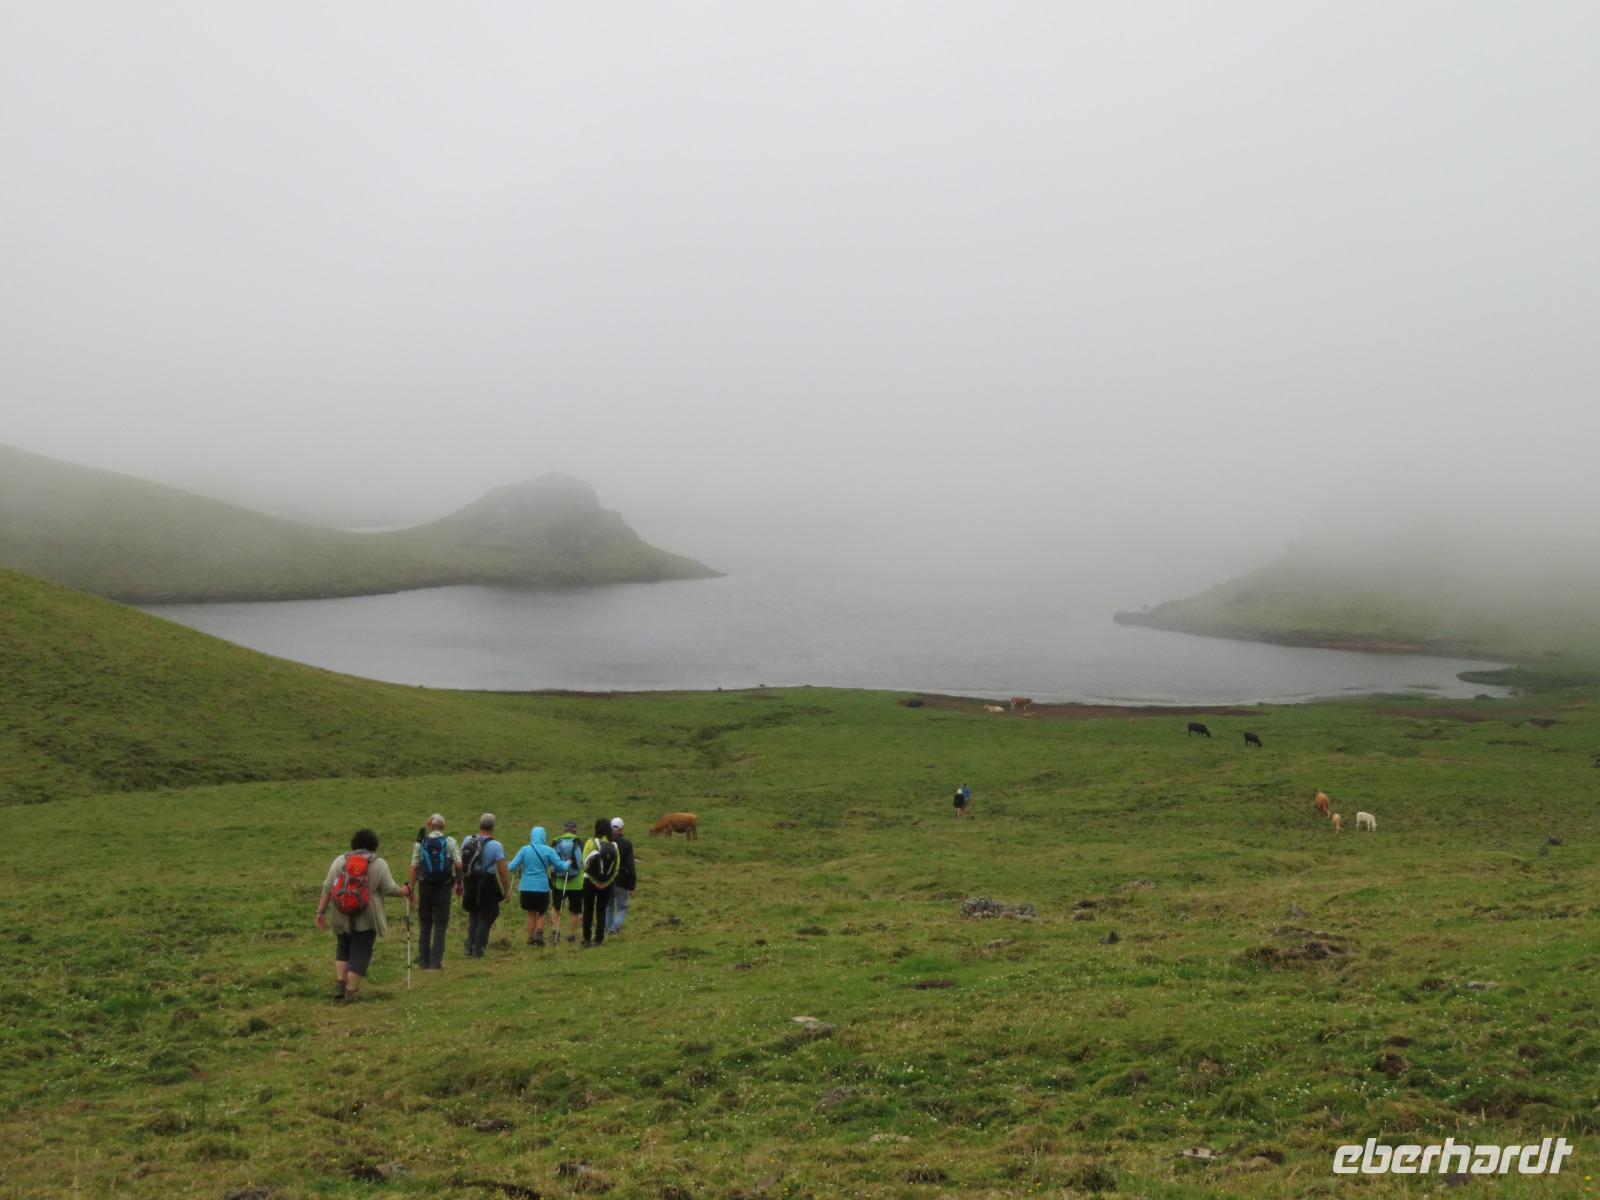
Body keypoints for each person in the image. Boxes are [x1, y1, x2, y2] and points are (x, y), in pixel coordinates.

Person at [316, 828, 411, 1000]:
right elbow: (389, 889)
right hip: (367, 915)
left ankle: (340, 985)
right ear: (374, 846)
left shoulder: (340, 860)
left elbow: (328, 887)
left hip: (341, 911)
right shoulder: (379, 863)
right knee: (361, 950)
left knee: (343, 946)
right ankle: (351, 993)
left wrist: (321, 911)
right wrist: (405, 891)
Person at [409, 814, 462, 969]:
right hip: (444, 887)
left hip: (425, 886)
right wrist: (459, 883)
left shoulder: (421, 842)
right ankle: (436, 961)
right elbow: (459, 865)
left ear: (430, 826)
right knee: (441, 923)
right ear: (443, 827)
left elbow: (414, 867)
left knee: (425, 922)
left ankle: (423, 960)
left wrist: (410, 889)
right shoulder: (450, 842)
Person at [460, 813, 510, 958]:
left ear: (480, 824)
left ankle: (469, 947)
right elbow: (502, 870)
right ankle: (479, 948)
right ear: (493, 826)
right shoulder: (496, 845)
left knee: (473, 913)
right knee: (488, 914)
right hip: (487, 881)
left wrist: (459, 882)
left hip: (469, 880)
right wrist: (506, 890)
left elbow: (460, 862)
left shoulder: (467, 840)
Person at [507, 825, 566, 946]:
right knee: (542, 911)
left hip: (526, 887)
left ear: (532, 836)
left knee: (531, 913)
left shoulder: (524, 850)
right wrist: (569, 862)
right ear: (543, 836)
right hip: (541, 887)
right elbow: (561, 867)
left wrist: (510, 864)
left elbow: (511, 867)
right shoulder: (549, 850)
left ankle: (530, 938)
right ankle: (539, 932)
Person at [581, 817, 620, 948]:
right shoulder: (614, 846)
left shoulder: (590, 842)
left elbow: (585, 864)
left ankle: (587, 939)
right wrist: (606, 882)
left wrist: (594, 880)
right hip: (607, 884)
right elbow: (616, 867)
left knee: (588, 910)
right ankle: (599, 938)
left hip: (590, 882)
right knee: (601, 910)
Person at [549, 819, 586, 944]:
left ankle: (555, 931)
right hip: (576, 884)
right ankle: (571, 935)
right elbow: (583, 862)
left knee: (556, 907)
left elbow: (551, 860)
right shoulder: (579, 842)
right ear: (575, 830)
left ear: (564, 830)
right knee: (574, 911)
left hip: (559, 882)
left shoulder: (555, 841)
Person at [607, 816, 636, 936]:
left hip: (606, 879)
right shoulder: (627, 844)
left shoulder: (605, 842)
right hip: (621, 879)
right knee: (622, 906)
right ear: (622, 829)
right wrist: (632, 885)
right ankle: (615, 927)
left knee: (608, 906)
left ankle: (607, 928)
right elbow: (630, 865)